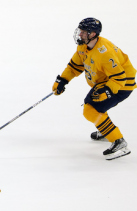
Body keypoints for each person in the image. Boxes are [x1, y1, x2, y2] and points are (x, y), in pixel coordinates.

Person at [52, 17, 135, 160]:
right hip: (106, 80)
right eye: (80, 31)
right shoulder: (83, 47)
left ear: (93, 34)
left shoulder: (105, 53)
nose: (80, 34)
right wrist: (63, 80)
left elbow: (120, 77)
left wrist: (107, 91)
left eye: (84, 32)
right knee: (95, 105)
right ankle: (104, 129)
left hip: (122, 84)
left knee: (90, 109)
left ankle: (119, 142)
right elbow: (75, 66)